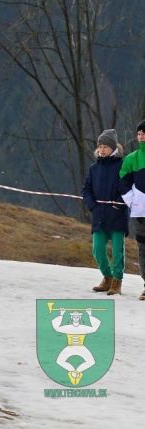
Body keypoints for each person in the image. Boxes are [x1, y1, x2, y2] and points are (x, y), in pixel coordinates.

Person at [82, 129, 128, 295]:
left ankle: (117, 281)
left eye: (105, 146)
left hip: (117, 215)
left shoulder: (122, 165)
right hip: (99, 215)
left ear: (113, 148)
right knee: (98, 249)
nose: (102, 149)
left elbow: (127, 187)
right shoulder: (94, 168)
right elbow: (86, 190)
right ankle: (107, 277)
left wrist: (120, 204)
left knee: (117, 251)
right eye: (100, 146)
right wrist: (92, 206)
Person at [119, 118, 145, 301]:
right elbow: (123, 181)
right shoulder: (131, 159)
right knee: (143, 250)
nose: (141, 137)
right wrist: (131, 200)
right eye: (139, 134)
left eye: (144, 133)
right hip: (140, 214)